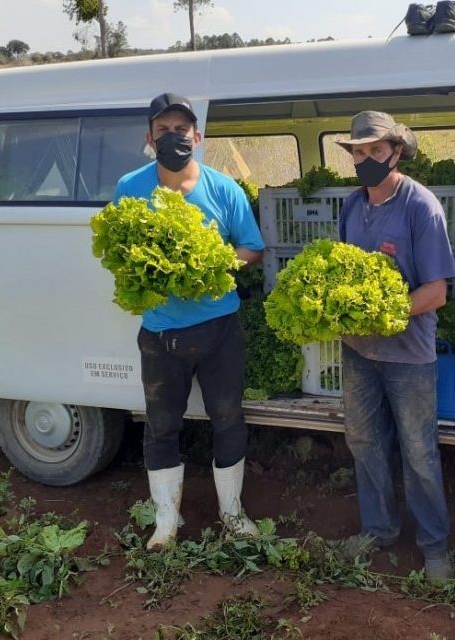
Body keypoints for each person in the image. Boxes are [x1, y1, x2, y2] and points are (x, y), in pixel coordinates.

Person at [113, 93, 265, 549]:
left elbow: (252, 248)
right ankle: (166, 522)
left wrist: (211, 267)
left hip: (219, 328)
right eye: (163, 131)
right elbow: (120, 251)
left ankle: (233, 514)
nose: (173, 138)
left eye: (181, 131)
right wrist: (154, 270)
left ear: (197, 138)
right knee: (161, 426)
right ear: (149, 138)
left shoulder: (224, 189)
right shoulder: (130, 188)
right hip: (159, 335)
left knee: (228, 418)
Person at [335, 111, 455, 580]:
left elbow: (436, 292)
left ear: (396, 152)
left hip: (408, 356)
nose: (366, 160)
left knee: (418, 451)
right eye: (359, 153)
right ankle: (378, 530)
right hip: (357, 352)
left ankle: (434, 546)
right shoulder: (351, 205)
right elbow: (344, 273)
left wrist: (380, 314)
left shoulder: (419, 206)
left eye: (375, 151)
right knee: (364, 443)